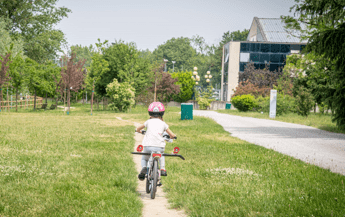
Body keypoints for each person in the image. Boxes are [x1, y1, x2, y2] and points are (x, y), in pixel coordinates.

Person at [136, 102, 176, 181]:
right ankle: (162, 169)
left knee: (144, 158)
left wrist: (140, 131)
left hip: (148, 146)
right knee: (161, 155)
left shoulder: (148, 122)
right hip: (159, 147)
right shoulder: (163, 123)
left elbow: (138, 128)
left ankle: (144, 168)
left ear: (150, 113)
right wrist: (173, 137)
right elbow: (171, 134)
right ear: (162, 114)